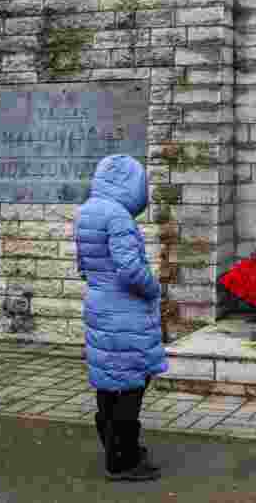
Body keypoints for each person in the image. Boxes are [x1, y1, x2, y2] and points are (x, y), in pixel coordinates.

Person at [74, 154, 167, 481]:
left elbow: (83, 266)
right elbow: (130, 270)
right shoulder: (119, 217)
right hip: (125, 310)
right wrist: (153, 287)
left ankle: (113, 444)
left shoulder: (86, 210)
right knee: (132, 381)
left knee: (108, 377)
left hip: (99, 304)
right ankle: (124, 459)